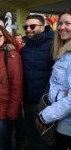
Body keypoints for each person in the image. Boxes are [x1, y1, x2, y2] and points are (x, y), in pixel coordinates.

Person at [35, 9, 71, 150]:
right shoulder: (63, 51)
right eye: (60, 23)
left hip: (67, 125)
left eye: (67, 23)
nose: (62, 27)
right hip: (59, 120)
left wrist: (44, 116)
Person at [19, 14, 54, 149]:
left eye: (32, 26)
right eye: (26, 26)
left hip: (45, 105)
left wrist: (46, 103)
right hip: (28, 103)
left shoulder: (52, 46)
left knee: (44, 142)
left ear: (43, 27)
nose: (28, 29)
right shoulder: (25, 49)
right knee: (32, 138)